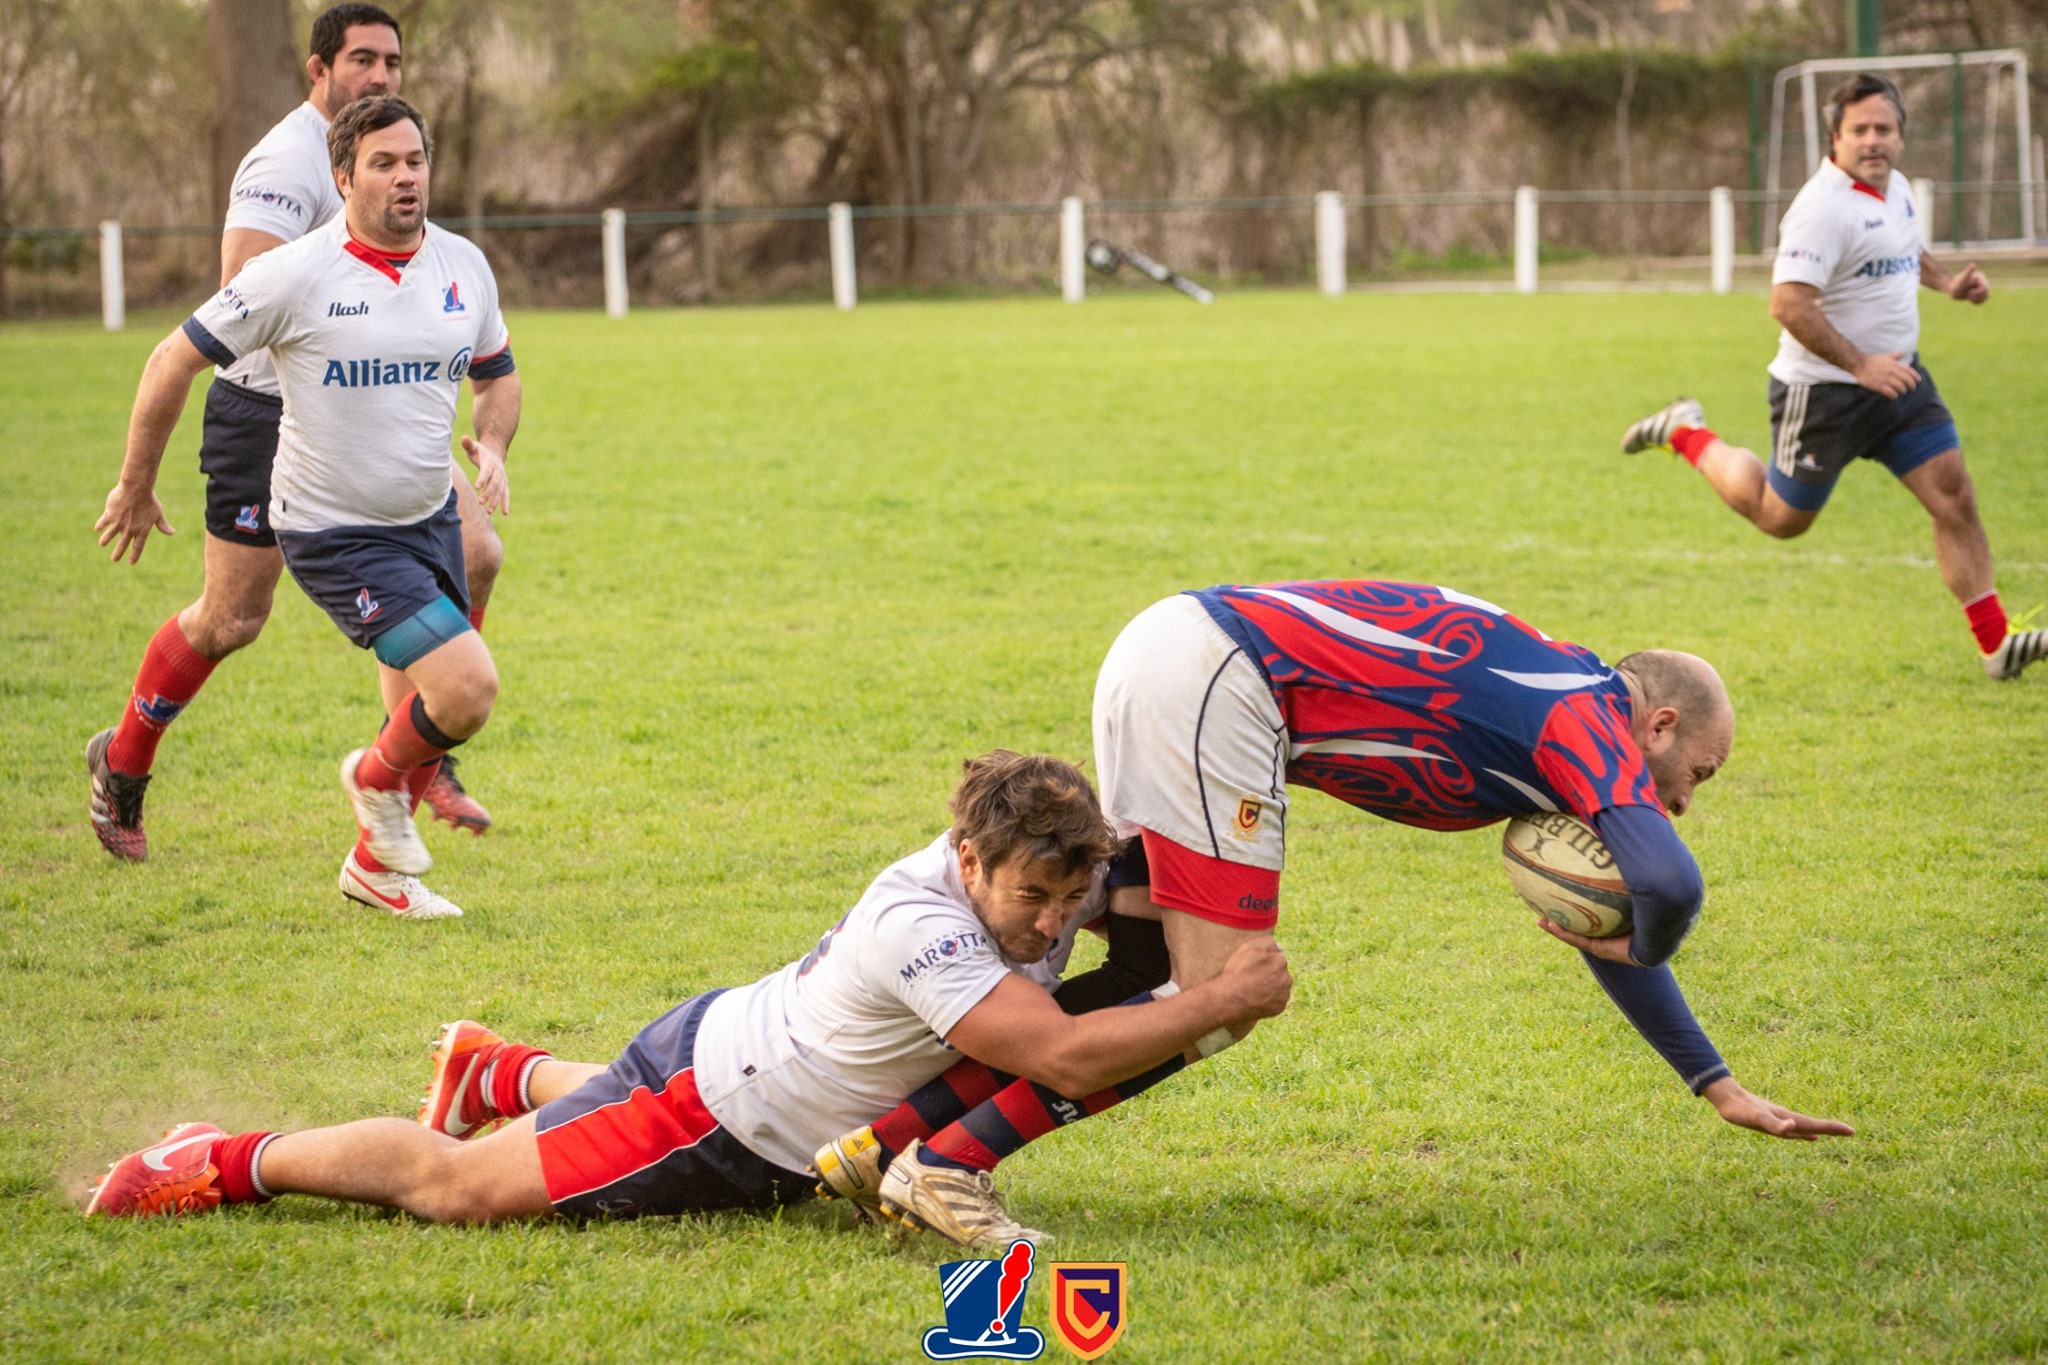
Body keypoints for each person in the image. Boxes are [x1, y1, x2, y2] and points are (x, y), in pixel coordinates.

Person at [816, 580, 1852, 1244]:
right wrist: (1645, 928)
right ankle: (950, 1166)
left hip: (1177, 653)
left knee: (1141, 972)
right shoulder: (1585, 715)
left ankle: (884, 1146)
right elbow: (1666, 888)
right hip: (1222, 684)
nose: (1675, 804)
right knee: (1221, 1002)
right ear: (1657, 722)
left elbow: (1614, 920)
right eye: (1691, 777)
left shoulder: (1563, 704)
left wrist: (1712, 1084)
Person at [81, 752, 1292, 1244]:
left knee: (561, 1109)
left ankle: (492, 1073)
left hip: (726, 1034)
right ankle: (221, 1157)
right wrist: (1229, 997)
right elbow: (1066, 1058)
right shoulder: (919, 927)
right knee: (455, 1190)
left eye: (1065, 899)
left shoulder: (1055, 859)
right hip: (717, 1123)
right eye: (1031, 899)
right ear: (966, 860)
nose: (1049, 922)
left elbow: (1153, 895)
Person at [87, 3, 500, 865]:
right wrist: (134, 478)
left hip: (364, 406)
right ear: (318, 71)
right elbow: (242, 286)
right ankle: (123, 758)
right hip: (269, 410)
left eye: (393, 61)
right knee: (233, 617)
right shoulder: (283, 160)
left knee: (476, 549)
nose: (382, 76)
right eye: (362, 61)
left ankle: (421, 754)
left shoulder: (400, 164)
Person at [1621, 72, 2045, 681]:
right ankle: (1687, 431)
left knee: (1954, 494)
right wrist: (1859, 365)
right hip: (1823, 395)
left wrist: (1948, 283)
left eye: (1885, 129)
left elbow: (1904, 247)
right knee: (1779, 518)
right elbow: (1789, 305)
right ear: (1835, 137)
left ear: (1901, 135)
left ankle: (1997, 645)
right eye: (1861, 130)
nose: (1874, 141)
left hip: (1899, 381)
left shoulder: (1894, 187)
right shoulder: (1819, 209)